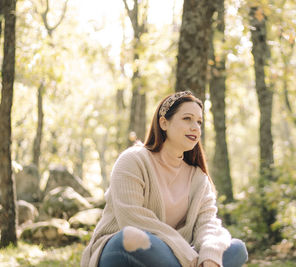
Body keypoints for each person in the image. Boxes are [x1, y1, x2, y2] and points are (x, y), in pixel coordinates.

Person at [81, 91, 248, 267]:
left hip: (173, 259)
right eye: (187, 119)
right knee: (132, 235)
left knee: (236, 249)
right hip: (123, 253)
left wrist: (210, 257)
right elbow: (132, 219)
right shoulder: (133, 160)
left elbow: (209, 225)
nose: (195, 127)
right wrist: (186, 253)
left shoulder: (198, 178)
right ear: (163, 123)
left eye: (199, 122)